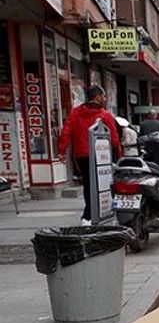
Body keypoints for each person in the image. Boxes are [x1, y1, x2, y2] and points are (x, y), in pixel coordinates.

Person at [58, 85, 122, 226]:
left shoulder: (75, 113)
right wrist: (119, 155)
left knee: (88, 185)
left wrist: (61, 151)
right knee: (105, 184)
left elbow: (66, 132)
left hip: (82, 156)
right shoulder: (104, 115)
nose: (105, 99)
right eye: (104, 96)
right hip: (101, 156)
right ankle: (104, 212)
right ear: (97, 97)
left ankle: (88, 215)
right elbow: (114, 138)